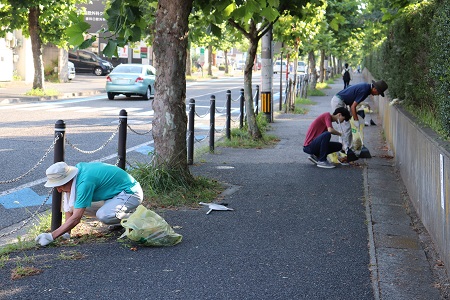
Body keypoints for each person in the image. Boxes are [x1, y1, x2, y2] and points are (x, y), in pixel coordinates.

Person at [35, 161, 143, 246]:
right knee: (76, 207)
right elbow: (69, 209)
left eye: (60, 186)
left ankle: (139, 219)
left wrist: (52, 236)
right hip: (112, 196)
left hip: (130, 193)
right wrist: (66, 234)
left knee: (104, 215)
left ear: (68, 180)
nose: (59, 190)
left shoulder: (84, 183)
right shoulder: (75, 175)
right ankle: (120, 220)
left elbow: (76, 218)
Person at [330, 80, 388, 153]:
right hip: (338, 102)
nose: (377, 95)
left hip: (341, 101)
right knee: (345, 127)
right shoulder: (365, 90)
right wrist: (356, 120)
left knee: (344, 127)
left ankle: (344, 148)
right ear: (375, 89)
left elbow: (352, 102)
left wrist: (352, 115)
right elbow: (353, 106)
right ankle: (346, 149)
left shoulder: (365, 88)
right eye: (378, 93)